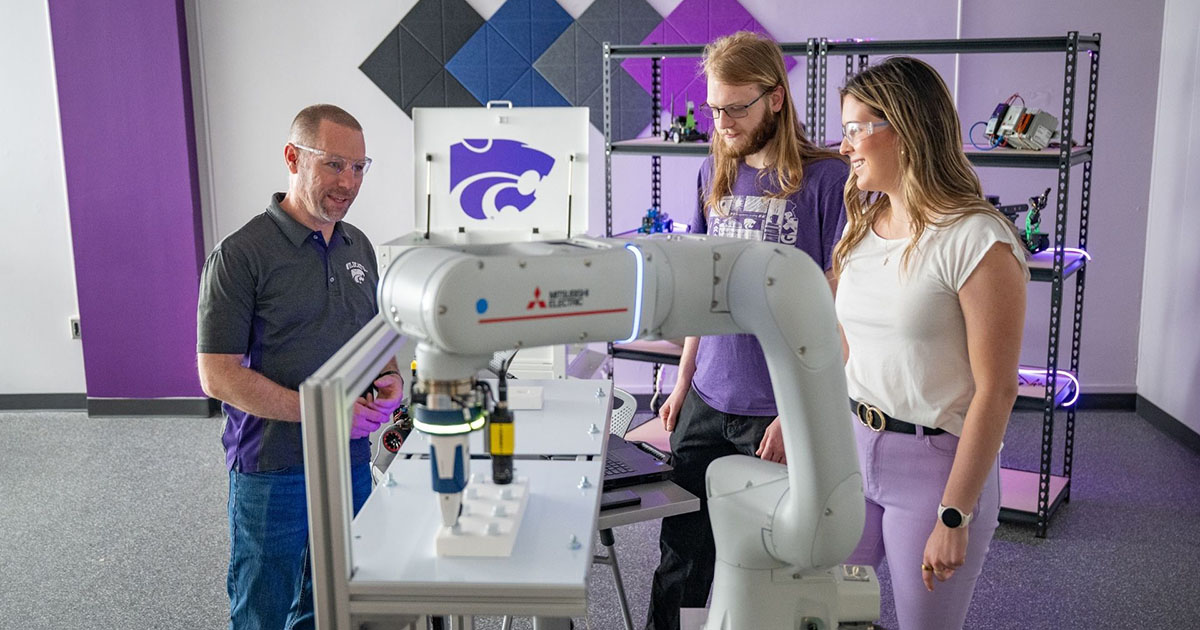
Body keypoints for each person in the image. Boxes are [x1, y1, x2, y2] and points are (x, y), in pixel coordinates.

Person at [646, 32, 849, 630]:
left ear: (776, 99)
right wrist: (682, 383)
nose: (723, 120)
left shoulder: (828, 181)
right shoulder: (714, 168)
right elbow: (701, 296)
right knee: (681, 557)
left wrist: (800, 411)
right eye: (714, 107)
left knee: (770, 565)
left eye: (737, 107)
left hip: (777, 409)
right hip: (708, 398)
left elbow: (836, 315)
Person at [833, 57, 1028, 629]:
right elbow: (849, 350)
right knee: (833, 614)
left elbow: (997, 390)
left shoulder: (977, 241)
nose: (844, 147)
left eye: (854, 129)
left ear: (904, 127)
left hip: (934, 468)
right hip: (853, 448)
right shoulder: (862, 226)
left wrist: (955, 513)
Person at [197, 104, 403, 630]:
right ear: (293, 157)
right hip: (274, 467)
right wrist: (324, 413)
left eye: (359, 167)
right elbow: (217, 375)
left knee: (333, 600)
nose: (349, 182)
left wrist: (391, 378)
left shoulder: (359, 246)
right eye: (335, 164)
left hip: (350, 459)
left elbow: (374, 340)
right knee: (263, 607)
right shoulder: (241, 255)